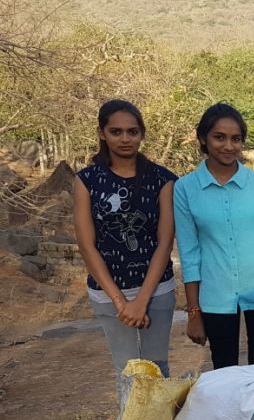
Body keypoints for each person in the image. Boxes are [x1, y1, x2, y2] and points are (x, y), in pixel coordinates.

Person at [173, 103, 254, 370]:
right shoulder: (185, 188)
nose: (228, 146)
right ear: (203, 138)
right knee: (224, 372)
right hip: (215, 295)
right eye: (219, 137)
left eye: (235, 139)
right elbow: (190, 254)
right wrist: (194, 312)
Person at [74, 99, 177, 385]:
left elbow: (164, 242)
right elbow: (87, 246)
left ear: (142, 134)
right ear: (102, 133)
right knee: (127, 372)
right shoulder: (87, 181)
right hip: (108, 293)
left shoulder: (162, 180)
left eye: (132, 132)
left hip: (156, 291)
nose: (125, 139)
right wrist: (121, 302)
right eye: (116, 131)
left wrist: (141, 300)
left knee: (158, 370)